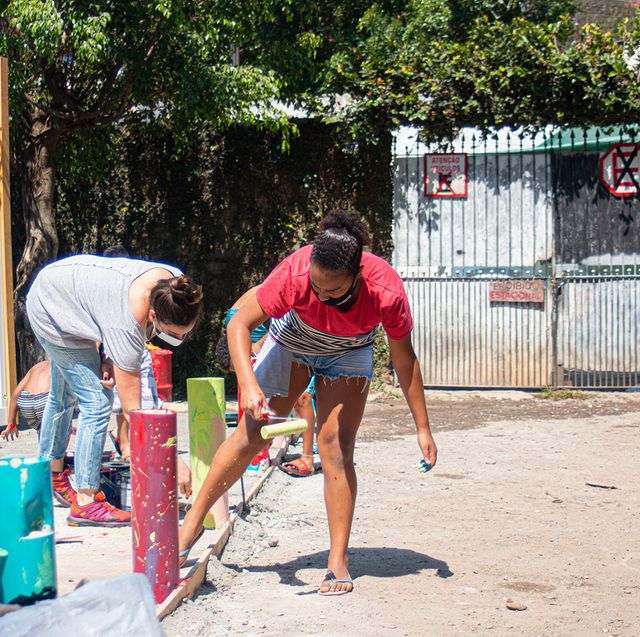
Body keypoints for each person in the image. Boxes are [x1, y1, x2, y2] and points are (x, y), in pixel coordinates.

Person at [179, 210, 437, 595]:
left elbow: (404, 359)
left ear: (357, 277)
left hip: (348, 354)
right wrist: (248, 384)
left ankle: (337, 561)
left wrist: (422, 427)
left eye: (333, 291)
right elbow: (238, 324)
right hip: (293, 343)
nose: (321, 295)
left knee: (334, 447)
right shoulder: (296, 273)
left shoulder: (386, 290)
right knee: (252, 436)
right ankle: (194, 522)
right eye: (316, 287)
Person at [26, 254, 203, 527]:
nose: (179, 339)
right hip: (51, 308)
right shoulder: (127, 321)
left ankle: (50, 473)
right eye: (173, 333)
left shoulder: (174, 288)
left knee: (63, 395)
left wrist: (108, 355)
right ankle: (85, 502)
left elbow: (102, 309)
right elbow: (137, 411)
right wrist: (171, 459)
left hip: (67, 290)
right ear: (153, 315)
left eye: (184, 333)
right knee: (97, 401)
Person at [216, 289, 317, 477]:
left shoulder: (280, 293)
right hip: (271, 328)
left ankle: (307, 456)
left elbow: (280, 325)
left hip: (297, 331)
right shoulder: (240, 325)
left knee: (303, 397)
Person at [1, 361, 51, 440]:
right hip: (44, 399)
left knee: (43, 433)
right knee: (61, 430)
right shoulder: (62, 365)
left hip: (26, 401)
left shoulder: (36, 367)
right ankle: (57, 451)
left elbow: (15, 395)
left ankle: (45, 450)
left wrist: (11, 423)